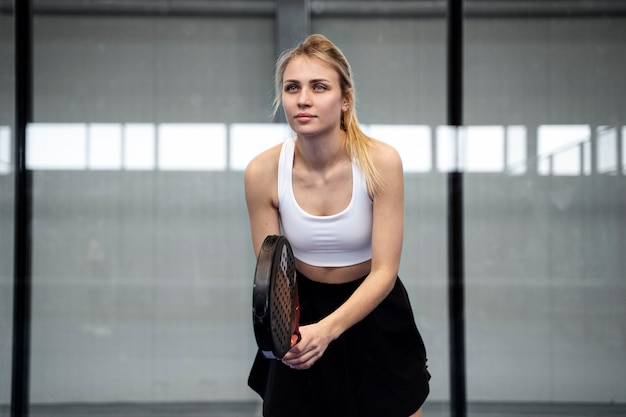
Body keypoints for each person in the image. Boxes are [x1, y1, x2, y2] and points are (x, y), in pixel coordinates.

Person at [244, 34, 430, 417]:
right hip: (299, 312)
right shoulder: (262, 172)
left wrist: (329, 329)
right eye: (292, 87)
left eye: (319, 87)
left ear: (345, 99)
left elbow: (384, 272)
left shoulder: (381, 163)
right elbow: (274, 276)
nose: (303, 99)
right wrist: (298, 331)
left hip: (373, 307)